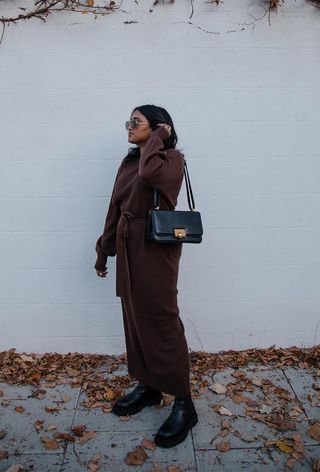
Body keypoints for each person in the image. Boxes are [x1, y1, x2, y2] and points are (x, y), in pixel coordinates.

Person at [94, 104, 198, 448]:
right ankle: (150, 386)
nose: (128, 126)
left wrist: (160, 139)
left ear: (158, 128)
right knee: (135, 318)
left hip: (155, 247)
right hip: (127, 243)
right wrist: (104, 248)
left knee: (162, 319)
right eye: (128, 121)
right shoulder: (127, 162)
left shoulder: (170, 161)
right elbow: (115, 205)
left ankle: (184, 401)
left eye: (135, 122)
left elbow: (150, 176)